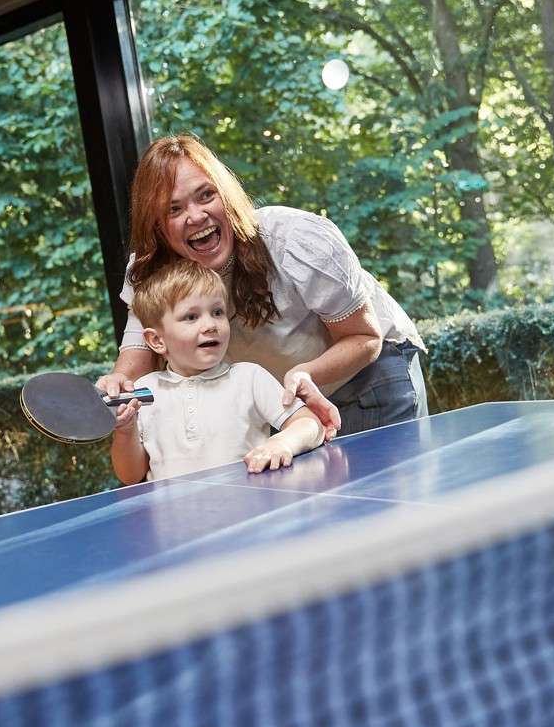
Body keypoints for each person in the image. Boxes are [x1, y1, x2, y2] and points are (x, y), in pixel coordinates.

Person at [97, 134, 428, 439]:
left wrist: (306, 373)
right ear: (157, 227)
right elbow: (136, 361)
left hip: (366, 377)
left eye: (206, 195)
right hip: (290, 402)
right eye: (174, 209)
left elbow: (365, 338)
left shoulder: (296, 240)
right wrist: (117, 386)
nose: (196, 216)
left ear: (226, 196)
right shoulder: (152, 274)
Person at [110, 261, 324, 484]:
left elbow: (311, 424)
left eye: (217, 312)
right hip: (174, 517)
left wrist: (283, 443)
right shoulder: (143, 392)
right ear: (156, 340)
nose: (211, 325)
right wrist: (125, 432)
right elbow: (131, 476)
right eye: (191, 317)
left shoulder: (249, 378)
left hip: (249, 511)